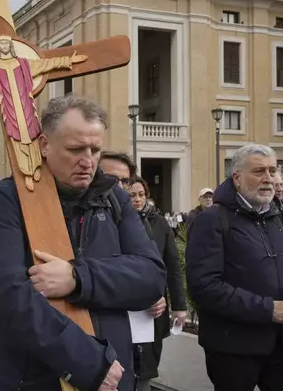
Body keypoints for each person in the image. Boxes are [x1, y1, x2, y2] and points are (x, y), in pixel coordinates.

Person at [0, 95, 166, 391]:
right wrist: (91, 364)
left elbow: (152, 277)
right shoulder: (6, 199)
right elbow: (8, 295)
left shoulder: (115, 198)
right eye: (75, 149)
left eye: (95, 149)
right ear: (44, 145)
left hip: (114, 374)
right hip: (38, 377)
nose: (88, 161)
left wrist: (78, 278)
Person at [186, 144, 283, 391]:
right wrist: (267, 309)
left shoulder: (277, 216)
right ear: (237, 178)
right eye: (259, 171)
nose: (268, 178)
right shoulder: (211, 220)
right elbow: (204, 286)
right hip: (233, 348)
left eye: (272, 170)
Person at [98, 151, 186, 391]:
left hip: (143, 323)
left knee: (142, 374)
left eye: (125, 182)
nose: (121, 188)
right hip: (100, 328)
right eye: (110, 178)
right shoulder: (85, 218)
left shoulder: (147, 223)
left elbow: (162, 267)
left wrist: (159, 296)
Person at [127, 177, 187, 390]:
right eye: (132, 195)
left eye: (141, 194)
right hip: (126, 304)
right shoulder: (116, 221)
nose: (137, 199)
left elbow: (173, 267)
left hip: (155, 306)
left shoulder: (159, 223)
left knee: (149, 363)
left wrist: (179, 306)